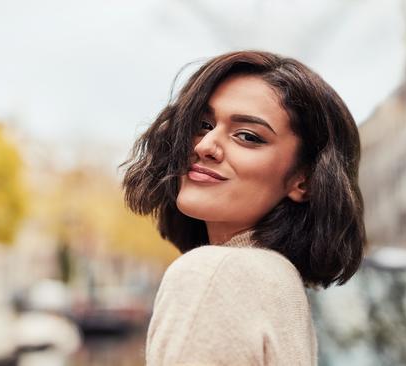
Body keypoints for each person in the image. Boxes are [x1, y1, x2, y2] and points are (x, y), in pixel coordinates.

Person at [122, 51, 366, 366]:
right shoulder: (278, 279)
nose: (204, 145)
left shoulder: (214, 274)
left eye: (248, 136)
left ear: (303, 181)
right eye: (203, 124)